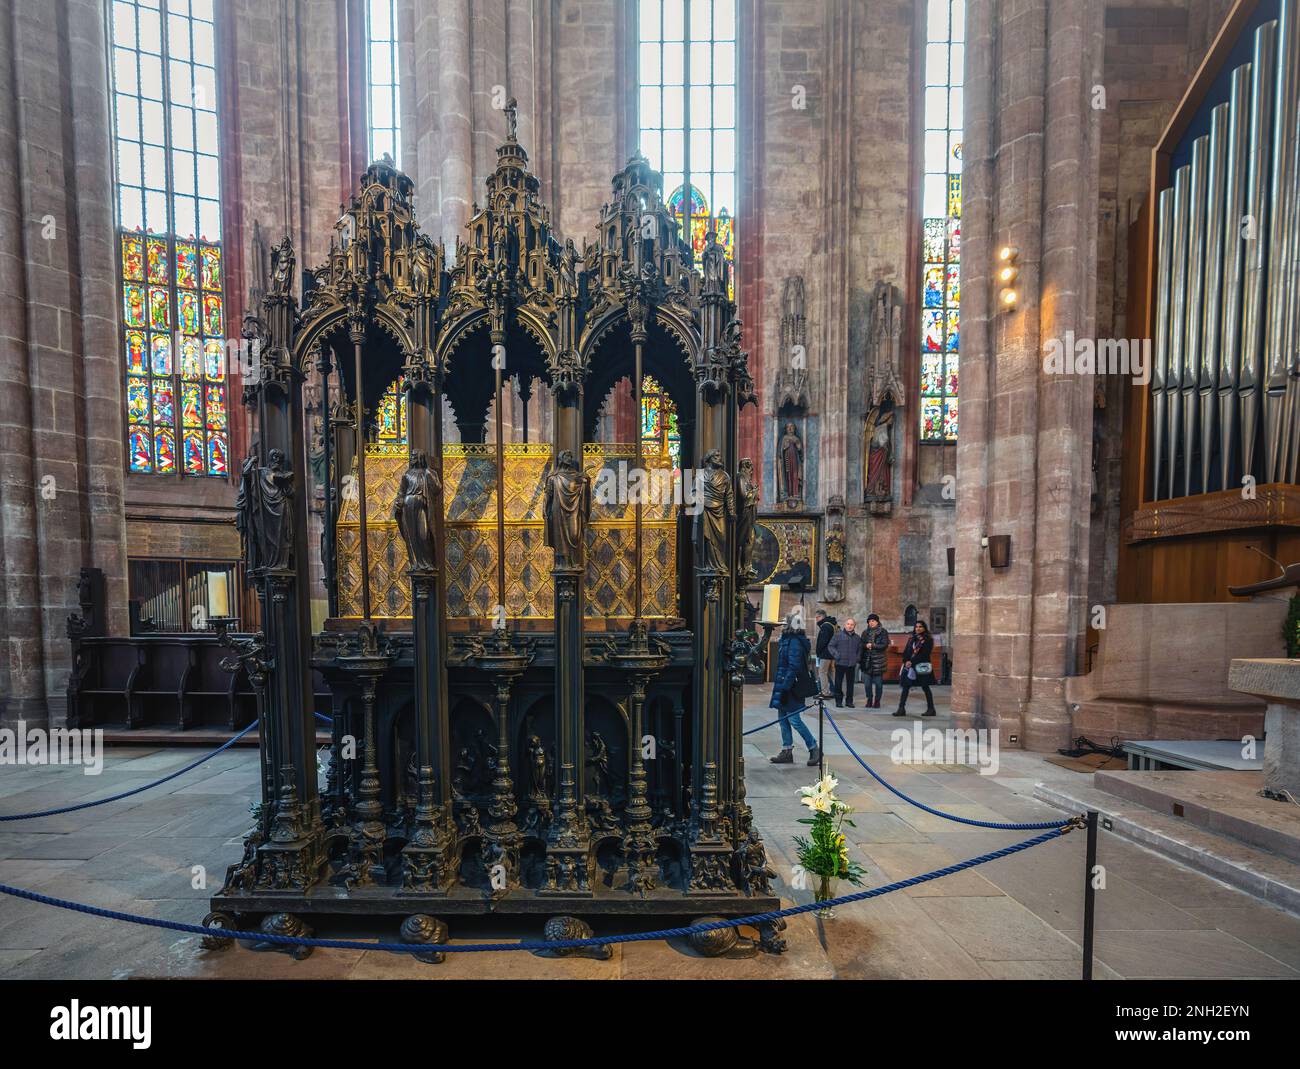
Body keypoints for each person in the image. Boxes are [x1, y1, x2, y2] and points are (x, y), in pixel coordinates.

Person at [768, 611, 821, 767]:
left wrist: (785, 688)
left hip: (791, 686)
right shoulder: (788, 640)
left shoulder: (795, 642)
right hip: (785, 684)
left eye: (786, 622)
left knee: (794, 719)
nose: (783, 624)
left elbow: (794, 666)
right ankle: (786, 751)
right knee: (783, 718)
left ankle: (814, 748)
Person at [894, 619, 937, 717]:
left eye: (920, 627)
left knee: (925, 687)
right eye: (916, 627)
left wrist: (911, 662)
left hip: (921, 666)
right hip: (910, 667)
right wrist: (906, 661)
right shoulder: (912, 638)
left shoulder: (928, 640)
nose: (918, 628)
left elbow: (925, 654)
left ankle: (931, 709)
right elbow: (906, 652)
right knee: (905, 686)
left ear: (924, 628)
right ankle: (901, 708)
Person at [826, 616, 864, 708]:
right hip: (840, 663)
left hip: (852, 664)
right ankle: (838, 701)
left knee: (850, 684)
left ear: (854, 626)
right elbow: (831, 646)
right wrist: (837, 655)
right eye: (848, 624)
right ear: (845, 625)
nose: (850, 626)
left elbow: (860, 649)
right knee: (838, 683)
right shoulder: (838, 635)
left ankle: (849, 701)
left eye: (852, 624)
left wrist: (857, 658)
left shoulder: (857, 638)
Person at [858, 613, 890, 709]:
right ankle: (869, 699)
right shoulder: (865, 632)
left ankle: (877, 701)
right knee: (867, 684)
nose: (871, 623)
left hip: (878, 662)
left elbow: (884, 645)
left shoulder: (883, 632)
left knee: (878, 684)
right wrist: (865, 645)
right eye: (869, 621)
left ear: (877, 622)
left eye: (873, 621)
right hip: (867, 662)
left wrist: (873, 646)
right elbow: (861, 645)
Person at [813, 609, 837, 698]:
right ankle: (837, 691)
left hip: (826, 654)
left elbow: (823, 642)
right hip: (832, 653)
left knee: (822, 672)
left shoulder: (825, 626)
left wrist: (818, 652)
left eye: (817, 617)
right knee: (832, 673)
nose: (816, 620)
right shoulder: (832, 624)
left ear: (821, 616)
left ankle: (825, 692)